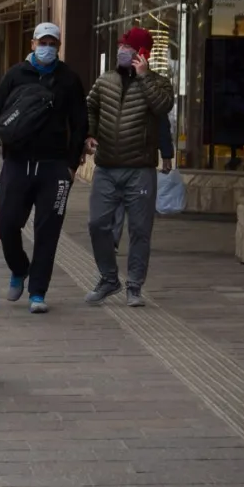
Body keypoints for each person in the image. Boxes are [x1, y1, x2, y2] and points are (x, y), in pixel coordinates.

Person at [0, 22, 87, 314]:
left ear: (58, 47)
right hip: (16, 164)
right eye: (42, 42)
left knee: (48, 231)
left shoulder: (69, 79)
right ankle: (19, 267)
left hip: (54, 168)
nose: (47, 48)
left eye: (52, 43)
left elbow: (80, 124)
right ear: (32, 44)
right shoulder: (15, 75)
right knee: (7, 224)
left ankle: (38, 292)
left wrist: (71, 166)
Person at [84, 27, 174, 308]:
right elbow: (90, 107)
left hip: (140, 170)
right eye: (121, 46)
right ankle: (109, 278)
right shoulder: (105, 81)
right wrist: (89, 133)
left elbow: (162, 108)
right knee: (97, 224)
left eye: (128, 47)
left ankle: (134, 286)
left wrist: (144, 77)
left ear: (143, 53)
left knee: (140, 230)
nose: (122, 51)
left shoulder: (159, 83)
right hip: (106, 167)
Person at [112, 116, 174, 251]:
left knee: (138, 206)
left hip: (142, 161)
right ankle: (113, 240)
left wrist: (166, 154)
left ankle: (134, 243)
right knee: (119, 200)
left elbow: (161, 122)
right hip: (120, 158)